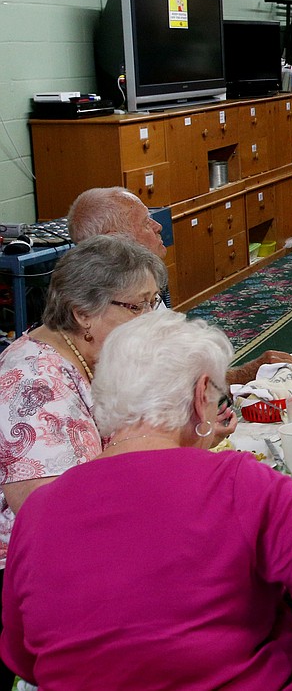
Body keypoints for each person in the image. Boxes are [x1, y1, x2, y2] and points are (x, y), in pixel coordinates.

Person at [0, 310, 292, 689]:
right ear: (201, 396)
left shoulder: (40, 509)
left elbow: (22, 656)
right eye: (220, 397)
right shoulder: (233, 481)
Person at [0, 236, 173, 687]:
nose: (151, 318)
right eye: (138, 307)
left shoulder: (87, 355)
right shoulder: (34, 383)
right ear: (83, 313)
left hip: (90, 540)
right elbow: (49, 518)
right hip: (33, 573)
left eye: (153, 302)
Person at [68, 187, 292, 384]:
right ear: (114, 240)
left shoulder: (137, 288)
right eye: (145, 223)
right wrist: (241, 376)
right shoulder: (112, 311)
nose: (158, 226)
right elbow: (164, 387)